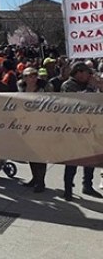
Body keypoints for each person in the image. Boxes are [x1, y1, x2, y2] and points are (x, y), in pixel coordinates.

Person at [61, 61, 103, 201]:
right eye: (87, 73)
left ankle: (87, 185)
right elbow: (79, 103)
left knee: (90, 160)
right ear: (78, 72)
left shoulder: (89, 85)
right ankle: (68, 189)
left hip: (91, 127)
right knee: (72, 161)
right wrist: (91, 87)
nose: (89, 76)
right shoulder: (68, 85)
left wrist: (100, 86)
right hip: (74, 129)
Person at [17, 67, 53, 193]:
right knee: (30, 153)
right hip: (26, 124)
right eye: (29, 75)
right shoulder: (20, 87)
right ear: (24, 77)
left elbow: (52, 102)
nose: (32, 78)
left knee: (40, 154)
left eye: (34, 75)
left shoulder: (44, 87)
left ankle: (41, 181)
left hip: (41, 124)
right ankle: (34, 178)